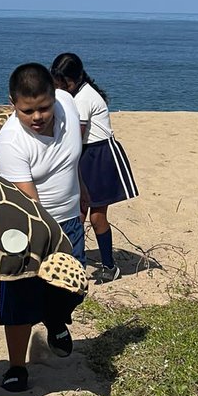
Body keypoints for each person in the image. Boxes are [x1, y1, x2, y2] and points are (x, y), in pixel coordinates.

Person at [0, 63, 86, 393]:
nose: (37, 116)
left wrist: (83, 192)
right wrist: (46, 248)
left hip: (71, 218)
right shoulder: (10, 143)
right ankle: (17, 366)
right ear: (12, 103)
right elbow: (30, 204)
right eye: (27, 110)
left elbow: (75, 152)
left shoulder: (68, 103)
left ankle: (55, 319)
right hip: (28, 228)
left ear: (55, 96)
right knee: (19, 300)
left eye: (44, 107)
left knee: (74, 288)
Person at [51, 52, 139, 283]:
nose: (61, 87)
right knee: (76, 213)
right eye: (57, 82)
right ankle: (71, 261)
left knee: (96, 216)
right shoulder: (74, 94)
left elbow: (74, 138)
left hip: (99, 156)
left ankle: (110, 266)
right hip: (85, 155)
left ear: (77, 78)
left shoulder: (83, 98)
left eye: (64, 83)